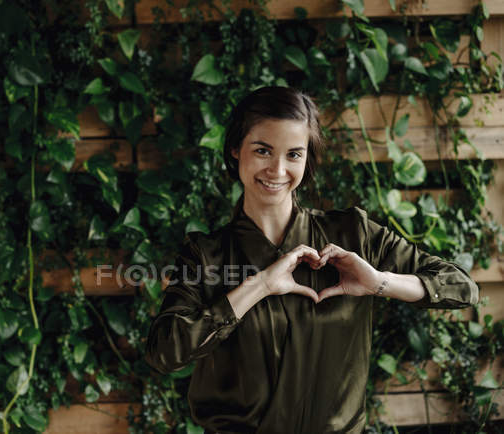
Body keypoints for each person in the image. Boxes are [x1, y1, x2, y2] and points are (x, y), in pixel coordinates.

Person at [144, 86, 479, 434]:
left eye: (293, 154)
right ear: (235, 150)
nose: (277, 169)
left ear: (307, 158)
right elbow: (164, 352)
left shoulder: (354, 234)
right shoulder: (205, 255)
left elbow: (460, 287)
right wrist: (258, 286)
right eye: (262, 150)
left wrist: (379, 282)